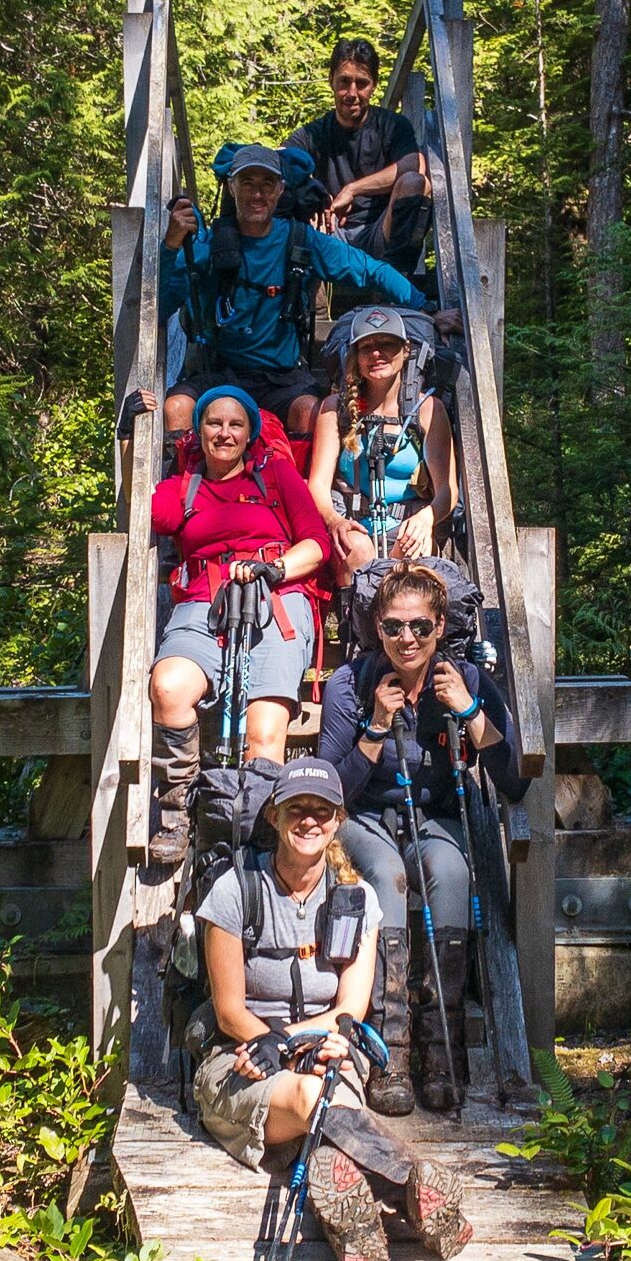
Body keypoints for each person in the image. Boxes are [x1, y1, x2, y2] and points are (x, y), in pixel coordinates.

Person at [190, 757, 471, 1261]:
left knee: (330, 1099)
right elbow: (229, 1012)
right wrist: (272, 1045)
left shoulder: (356, 899)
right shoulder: (234, 890)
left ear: (339, 820)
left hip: (323, 1051)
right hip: (241, 1062)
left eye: (322, 811)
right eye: (297, 808)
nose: (309, 821)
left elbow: (350, 1010)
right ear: (274, 816)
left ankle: (354, 1223)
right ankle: (412, 1185)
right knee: (309, 1098)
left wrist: (298, 1041)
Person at [316, 563, 523, 1113]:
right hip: (365, 818)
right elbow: (329, 788)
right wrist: (375, 729)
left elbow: (513, 776)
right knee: (387, 875)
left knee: (451, 872)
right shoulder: (351, 684)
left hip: (433, 818)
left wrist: (470, 710)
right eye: (393, 627)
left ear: (438, 627)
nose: (407, 639)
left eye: (420, 627)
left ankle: (443, 1048)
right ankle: (393, 1053)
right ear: (376, 629)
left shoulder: (465, 679)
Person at [146, 387, 332, 866]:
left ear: (250, 433)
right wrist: (130, 437)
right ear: (199, 431)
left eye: (235, 424)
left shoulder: (276, 475)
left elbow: (316, 544)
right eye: (214, 423)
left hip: (277, 600)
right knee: (167, 688)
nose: (224, 433)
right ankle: (176, 808)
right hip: (204, 603)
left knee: (264, 731)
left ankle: (254, 836)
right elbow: (145, 511)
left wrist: (277, 569)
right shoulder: (183, 485)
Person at [161, 142, 424, 439]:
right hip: (218, 371)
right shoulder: (208, 245)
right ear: (232, 188)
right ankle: (181, 484)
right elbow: (159, 304)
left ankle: (306, 484)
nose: (257, 194)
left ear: (280, 190)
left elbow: (368, 269)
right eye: (247, 183)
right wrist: (170, 245)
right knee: (177, 407)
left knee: (312, 411)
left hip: (281, 377)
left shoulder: (301, 241)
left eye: (267, 184)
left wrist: (422, 307)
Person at [307, 303, 456, 578]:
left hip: (409, 523)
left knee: (412, 559)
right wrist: (334, 521)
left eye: (387, 344)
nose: (377, 353)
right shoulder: (334, 408)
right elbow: (317, 484)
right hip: (353, 523)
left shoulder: (427, 409)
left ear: (406, 349)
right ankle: (351, 615)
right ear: (355, 355)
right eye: (366, 347)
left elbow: (447, 489)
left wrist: (427, 518)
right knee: (355, 548)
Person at [286, 39, 431, 286]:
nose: (352, 94)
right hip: (330, 235)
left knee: (417, 183)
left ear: (373, 85)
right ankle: (313, 305)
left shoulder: (392, 125)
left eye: (361, 83)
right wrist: (315, 199)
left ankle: (392, 284)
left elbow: (413, 164)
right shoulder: (313, 133)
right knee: (293, 200)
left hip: (380, 233)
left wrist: (352, 189)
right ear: (331, 80)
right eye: (344, 81)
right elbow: (281, 161)